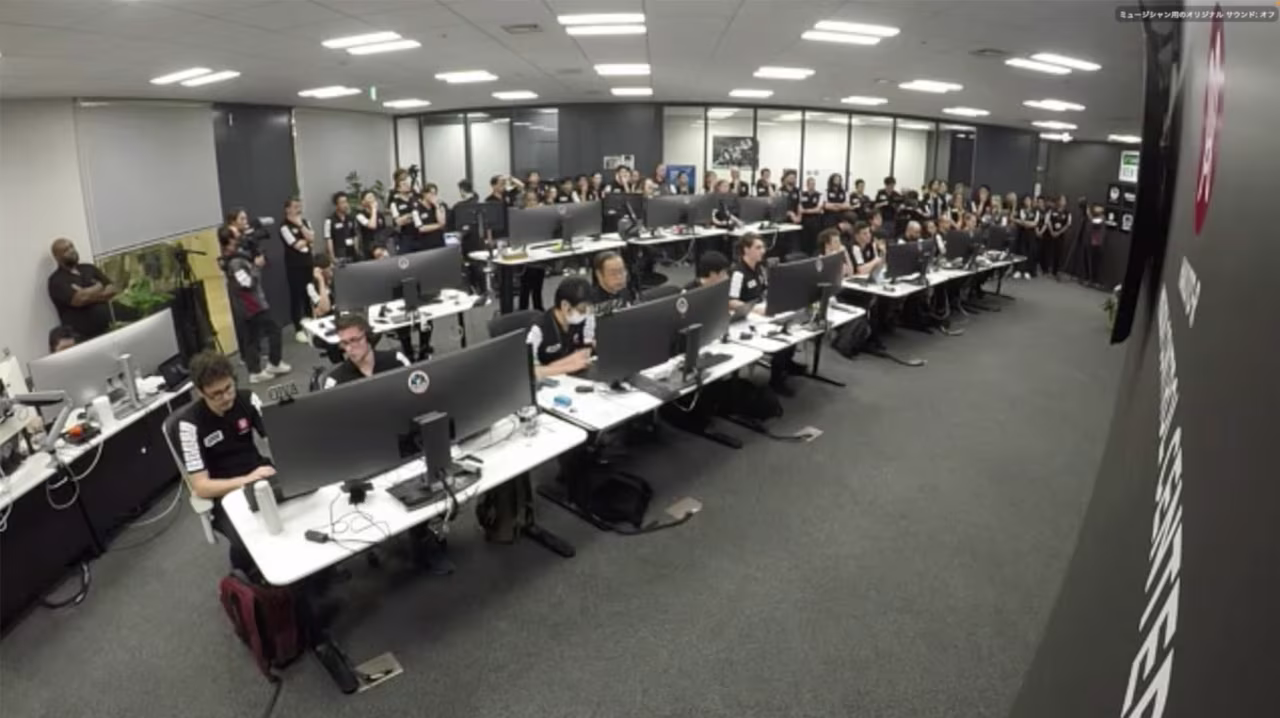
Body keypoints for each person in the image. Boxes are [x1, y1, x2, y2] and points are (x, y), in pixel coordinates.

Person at [178, 351, 273, 574]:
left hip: (259, 472)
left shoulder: (248, 399)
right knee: (247, 540)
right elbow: (201, 486)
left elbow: (276, 439)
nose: (226, 397)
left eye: (229, 388)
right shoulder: (189, 425)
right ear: (200, 392)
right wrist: (246, 480)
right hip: (224, 494)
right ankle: (243, 574)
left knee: (303, 506)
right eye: (216, 394)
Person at [219, 226, 291, 383]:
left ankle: (255, 372)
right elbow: (247, 283)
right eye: (237, 234)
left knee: (252, 338)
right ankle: (274, 363)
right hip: (252, 304)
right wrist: (257, 267)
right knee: (274, 329)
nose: (241, 236)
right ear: (230, 239)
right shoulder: (235, 262)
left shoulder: (235, 257)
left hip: (248, 304)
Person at [729, 233, 797, 395]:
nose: (763, 251)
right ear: (746, 250)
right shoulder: (738, 272)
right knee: (780, 340)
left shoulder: (760, 268)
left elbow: (765, 290)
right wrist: (754, 309)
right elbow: (730, 301)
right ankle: (776, 380)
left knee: (792, 329)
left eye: (763, 247)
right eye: (758, 248)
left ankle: (787, 365)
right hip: (745, 319)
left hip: (762, 313)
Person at [47, 238, 117, 340]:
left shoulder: (89, 268)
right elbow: (79, 300)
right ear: (57, 257)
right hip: (83, 337)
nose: (72, 251)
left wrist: (87, 293)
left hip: (108, 329)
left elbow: (112, 289)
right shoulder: (56, 280)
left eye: (72, 246)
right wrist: (99, 287)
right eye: (66, 250)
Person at [527, 277, 593, 379]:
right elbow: (529, 371)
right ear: (565, 305)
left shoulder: (581, 321)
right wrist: (567, 366)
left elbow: (586, 351)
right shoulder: (538, 329)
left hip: (572, 379)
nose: (585, 314)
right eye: (582, 310)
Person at [323, 314, 411, 388]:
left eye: (354, 340)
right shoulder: (335, 381)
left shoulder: (396, 361)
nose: (348, 349)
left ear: (368, 337)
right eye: (344, 343)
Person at [279, 197, 316, 343]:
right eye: (295, 207)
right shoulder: (284, 226)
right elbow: (296, 245)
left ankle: (312, 324)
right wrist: (306, 240)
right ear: (287, 209)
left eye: (299, 207)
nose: (298, 210)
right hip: (294, 267)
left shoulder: (305, 222)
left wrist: (301, 226)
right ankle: (298, 329)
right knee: (296, 297)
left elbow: (312, 237)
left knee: (310, 294)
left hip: (308, 263)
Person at [589, 251, 639, 315]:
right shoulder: (589, 302)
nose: (619, 277)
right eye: (613, 273)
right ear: (599, 275)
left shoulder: (627, 292)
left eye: (621, 271)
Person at [388, 169, 419, 253]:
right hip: (405, 236)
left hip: (419, 234)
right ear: (398, 187)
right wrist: (411, 215)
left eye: (407, 183)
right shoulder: (395, 202)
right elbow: (399, 222)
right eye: (404, 184)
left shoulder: (415, 198)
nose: (407, 185)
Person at [324, 191, 360, 262]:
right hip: (339, 255)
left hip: (351, 253)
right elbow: (328, 239)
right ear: (336, 205)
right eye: (342, 202)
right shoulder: (329, 220)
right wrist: (332, 257)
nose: (345, 205)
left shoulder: (351, 218)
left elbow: (355, 235)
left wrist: (356, 251)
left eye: (346, 202)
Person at [356, 190, 392, 257]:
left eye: (373, 197)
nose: (373, 199)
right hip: (369, 248)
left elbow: (383, 231)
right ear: (363, 202)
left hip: (381, 245)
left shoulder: (380, 215)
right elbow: (372, 226)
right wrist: (374, 209)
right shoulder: (360, 215)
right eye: (369, 198)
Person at [415, 183, 448, 250]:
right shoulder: (417, 208)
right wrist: (438, 226)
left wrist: (437, 206)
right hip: (425, 243)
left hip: (439, 242)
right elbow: (421, 228)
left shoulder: (440, 206)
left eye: (435, 194)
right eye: (431, 193)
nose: (433, 196)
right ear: (424, 194)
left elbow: (442, 222)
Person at [1045, 195, 1071, 280]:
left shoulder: (1067, 212)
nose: (1063, 202)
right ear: (1058, 201)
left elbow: (1068, 224)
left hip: (1061, 235)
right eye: (1062, 200)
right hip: (1051, 234)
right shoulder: (1052, 211)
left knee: (1059, 253)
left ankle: (1056, 271)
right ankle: (1048, 269)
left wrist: (1059, 232)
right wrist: (1052, 231)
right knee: (1050, 251)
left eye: (1064, 200)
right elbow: (1048, 220)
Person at [1014, 194, 1040, 279]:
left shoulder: (1036, 211)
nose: (1027, 202)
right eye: (1026, 200)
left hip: (1032, 235)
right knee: (1021, 251)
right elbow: (1022, 221)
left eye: (1029, 200)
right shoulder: (1021, 210)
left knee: (1030, 252)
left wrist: (1026, 223)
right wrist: (1025, 223)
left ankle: (1027, 271)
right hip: (1023, 234)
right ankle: (1019, 270)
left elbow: (1035, 223)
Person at [799, 176, 824, 256]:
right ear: (807, 184)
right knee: (804, 240)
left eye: (813, 184)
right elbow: (799, 206)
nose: (812, 185)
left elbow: (818, 209)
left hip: (815, 221)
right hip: (804, 221)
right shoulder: (802, 194)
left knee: (814, 240)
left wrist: (806, 211)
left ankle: (814, 255)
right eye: (810, 184)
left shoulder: (819, 195)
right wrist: (804, 211)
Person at [1084, 204, 1106, 287]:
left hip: (1098, 244)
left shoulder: (1102, 218)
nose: (1096, 209)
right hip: (1091, 243)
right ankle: (1089, 279)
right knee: (1089, 261)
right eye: (1096, 207)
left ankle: (1094, 281)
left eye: (1099, 207)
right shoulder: (1094, 217)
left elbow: (1095, 222)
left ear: (1102, 210)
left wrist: (1088, 214)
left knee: (1095, 263)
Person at [307, 254, 334, 318]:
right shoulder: (311, 287)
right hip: (326, 319)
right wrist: (321, 281)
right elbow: (325, 309)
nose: (332, 270)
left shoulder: (336, 280)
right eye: (329, 268)